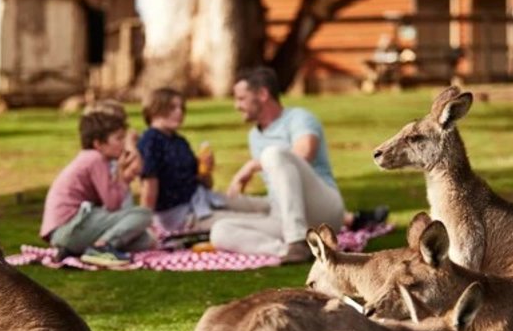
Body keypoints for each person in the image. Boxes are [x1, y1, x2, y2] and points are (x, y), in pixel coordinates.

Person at [211, 67, 386, 264]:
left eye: (241, 98)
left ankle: (296, 240)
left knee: (273, 154)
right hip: (283, 216)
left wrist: (252, 165)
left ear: (262, 94)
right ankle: (291, 249)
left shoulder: (299, 118)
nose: (237, 105)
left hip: (323, 210)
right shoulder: (254, 136)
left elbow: (304, 154)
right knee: (220, 231)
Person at [137, 88, 267, 234]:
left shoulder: (179, 141)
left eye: (182, 108)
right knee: (256, 222)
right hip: (183, 216)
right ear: (155, 110)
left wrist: (206, 169)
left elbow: (207, 184)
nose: (179, 112)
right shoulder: (150, 142)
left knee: (263, 206)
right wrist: (145, 225)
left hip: (204, 200)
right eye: (172, 108)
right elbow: (149, 187)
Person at [39, 110, 154, 267]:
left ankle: (75, 250)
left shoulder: (90, 158)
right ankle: (101, 247)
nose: (123, 144)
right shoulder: (95, 159)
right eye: (118, 138)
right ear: (98, 144)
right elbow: (113, 205)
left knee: (145, 240)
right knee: (144, 214)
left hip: (67, 232)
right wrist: (121, 175)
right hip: (70, 227)